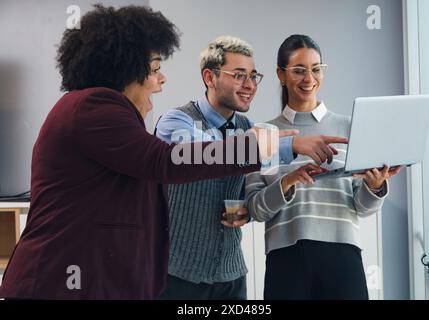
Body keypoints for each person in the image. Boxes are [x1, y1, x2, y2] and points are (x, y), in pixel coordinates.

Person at [0, 5, 290, 300]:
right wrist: (251, 147)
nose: (161, 80)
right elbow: (165, 160)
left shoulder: (93, 107)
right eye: (154, 69)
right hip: (60, 283)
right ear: (124, 69)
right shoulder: (95, 107)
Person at [155, 36, 348, 300]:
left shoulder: (249, 128)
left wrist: (256, 205)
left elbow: (254, 200)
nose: (249, 85)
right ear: (209, 78)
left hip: (230, 278)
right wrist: (290, 145)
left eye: (253, 76)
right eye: (238, 76)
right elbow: (203, 156)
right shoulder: (178, 121)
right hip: (176, 275)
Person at [245, 34, 402, 300]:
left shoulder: (350, 128)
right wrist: (287, 182)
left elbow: (362, 207)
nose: (309, 79)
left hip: (343, 257)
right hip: (286, 261)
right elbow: (255, 209)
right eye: (299, 70)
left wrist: (375, 187)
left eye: (316, 69)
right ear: (280, 74)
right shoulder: (264, 134)